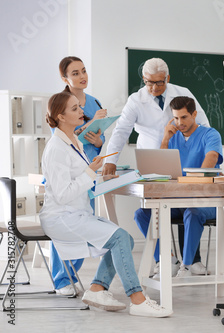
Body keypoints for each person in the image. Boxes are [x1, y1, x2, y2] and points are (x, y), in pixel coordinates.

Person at [40, 91, 170, 317]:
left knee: (125, 239)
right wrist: (90, 172)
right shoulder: (56, 148)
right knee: (119, 237)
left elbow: (78, 184)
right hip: (61, 217)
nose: (81, 111)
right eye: (74, 109)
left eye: (79, 107)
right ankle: (137, 300)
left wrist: (100, 177)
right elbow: (62, 195)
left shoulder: (73, 143)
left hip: (75, 213)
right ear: (60, 117)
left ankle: (97, 288)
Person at [103, 57, 210, 276]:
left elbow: (204, 124)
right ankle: (164, 259)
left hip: (184, 157)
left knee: (187, 203)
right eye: (148, 82)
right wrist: (110, 160)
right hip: (152, 160)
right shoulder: (136, 100)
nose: (153, 88)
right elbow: (121, 131)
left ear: (167, 79)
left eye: (159, 83)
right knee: (150, 210)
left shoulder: (183, 92)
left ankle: (192, 259)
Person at [134, 96, 223, 278]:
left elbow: (212, 158)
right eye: (175, 118)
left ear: (194, 114)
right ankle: (167, 258)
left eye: (183, 117)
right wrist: (166, 138)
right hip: (176, 201)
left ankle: (187, 265)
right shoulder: (173, 138)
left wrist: (192, 180)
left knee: (193, 212)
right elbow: (161, 169)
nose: (179, 122)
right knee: (142, 213)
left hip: (205, 201)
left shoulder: (210, 134)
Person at [48, 56, 108, 296]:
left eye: (83, 71)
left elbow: (98, 138)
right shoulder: (60, 104)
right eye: (75, 73)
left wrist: (99, 139)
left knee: (83, 225)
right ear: (65, 78)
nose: (82, 76)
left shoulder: (94, 102)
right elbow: (62, 136)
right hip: (68, 174)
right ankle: (62, 280)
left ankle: (71, 275)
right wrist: (91, 124)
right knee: (63, 226)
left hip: (88, 174)